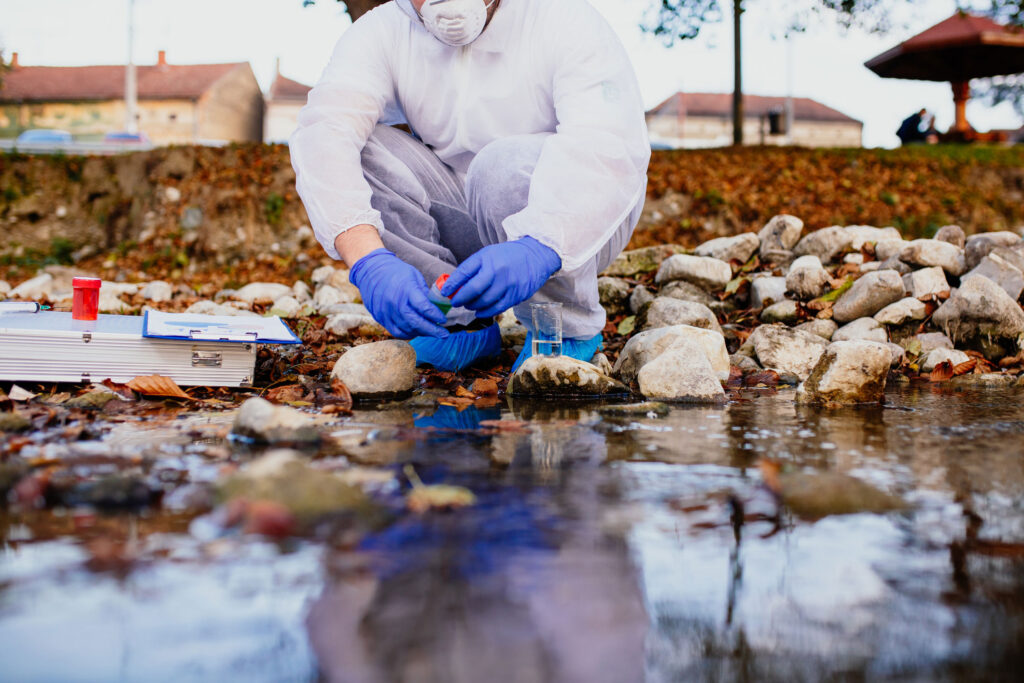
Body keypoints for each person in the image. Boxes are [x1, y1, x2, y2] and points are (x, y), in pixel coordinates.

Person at [290, 0, 650, 372]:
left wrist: (542, 244)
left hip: (577, 222)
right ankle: (455, 322)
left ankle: (562, 327)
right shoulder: (383, 30)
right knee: (364, 148)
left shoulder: (564, 18)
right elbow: (325, 132)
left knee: (498, 167)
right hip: (464, 211)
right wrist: (367, 259)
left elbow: (608, 146)